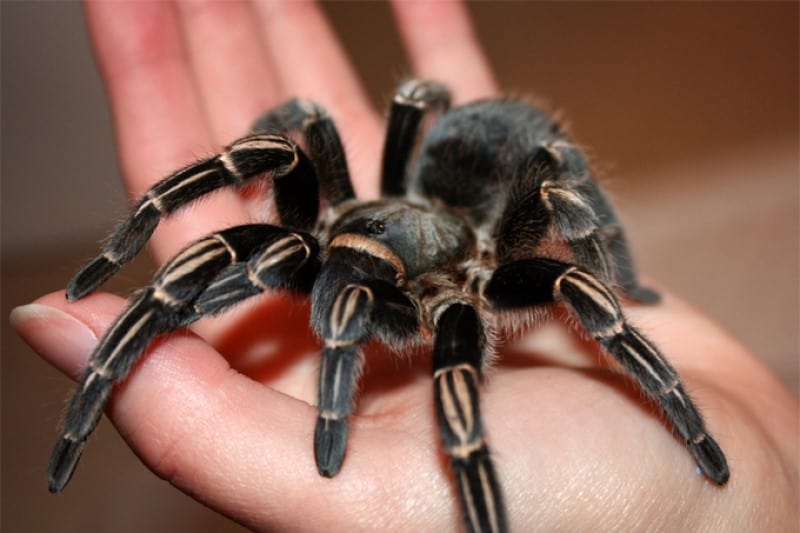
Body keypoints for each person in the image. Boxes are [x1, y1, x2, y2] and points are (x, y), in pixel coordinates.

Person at [11, 1, 798, 530]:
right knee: (301, 132)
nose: (332, 292)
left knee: (566, 237)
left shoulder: (471, 283)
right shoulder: (314, 234)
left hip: (472, 236)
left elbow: (560, 203)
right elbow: (292, 132)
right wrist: (135, 252)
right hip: (385, 208)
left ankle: (666, 381)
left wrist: (619, 275)